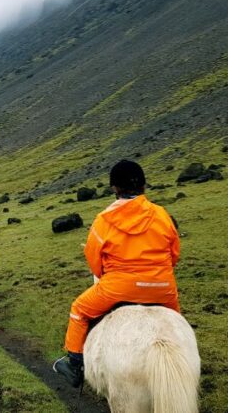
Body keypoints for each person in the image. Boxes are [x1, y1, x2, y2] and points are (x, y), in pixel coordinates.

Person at [53, 160, 181, 388]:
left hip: (118, 287)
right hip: (163, 288)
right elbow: (174, 255)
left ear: (115, 188)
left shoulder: (104, 220)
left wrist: (109, 275)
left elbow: (94, 261)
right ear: (144, 185)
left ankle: (75, 364)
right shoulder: (162, 214)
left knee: (79, 310)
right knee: (178, 325)